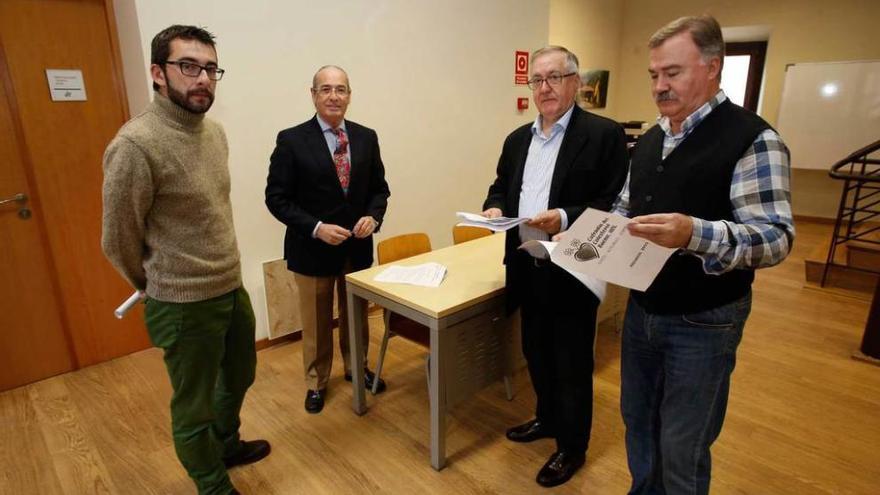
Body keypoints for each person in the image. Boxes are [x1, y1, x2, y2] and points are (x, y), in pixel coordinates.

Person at [614, 15, 795, 495]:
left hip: (705, 319)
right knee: (638, 423)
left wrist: (694, 233)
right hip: (643, 310)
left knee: (683, 442)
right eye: (654, 75)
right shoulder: (651, 139)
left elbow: (775, 238)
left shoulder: (754, 139)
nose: (659, 86)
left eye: (672, 72)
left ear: (713, 67)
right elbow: (626, 207)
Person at [101, 25, 269, 495]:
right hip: (181, 302)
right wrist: (157, 283)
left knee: (240, 374)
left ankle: (227, 443)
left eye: (210, 68)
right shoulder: (135, 145)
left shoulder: (213, 133)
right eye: (188, 66)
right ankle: (212, 485)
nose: (203, 79)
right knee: (193, 405)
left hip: (228, 287)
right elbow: (117, 239)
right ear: (158, 73)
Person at [482, 46, 628, 487]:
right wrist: (493, 208)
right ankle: (546, 419)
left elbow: (612, 203)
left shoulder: (603, 135)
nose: (544, 88)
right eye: (537, 80)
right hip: (526, 262)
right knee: (536, 352)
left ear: (574, 82)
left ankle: (572, 446)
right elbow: (501, 186)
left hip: (573, 267)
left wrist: (563, 217)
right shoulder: (516, 139)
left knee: (571, 362)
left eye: (554, 78)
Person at [265, 65, 391, 414]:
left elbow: (379, 189)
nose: (334, 96)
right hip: (312, 250)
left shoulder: (367, 137)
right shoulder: (291, 140)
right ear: (314, 95)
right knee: (317, 322)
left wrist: (373, 216)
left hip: (356, 248)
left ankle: (356, 368)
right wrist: (317, 227)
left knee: (356, 316)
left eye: (341, 89)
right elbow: (277, 199)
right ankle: (316, 382)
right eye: (326, 89)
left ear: (349, 95)